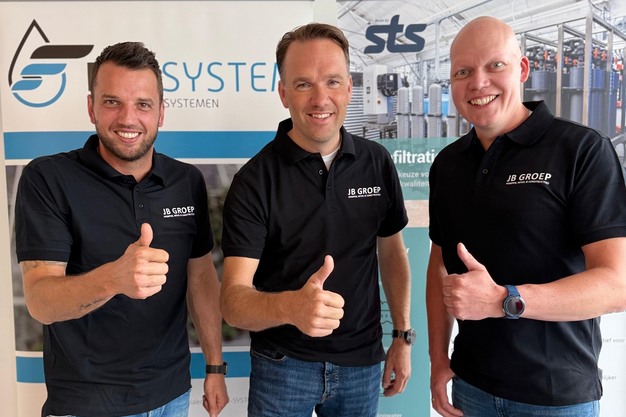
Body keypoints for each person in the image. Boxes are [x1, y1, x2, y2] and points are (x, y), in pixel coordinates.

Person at [15, 42, 229, 417]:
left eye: (143, 104)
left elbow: (200, 277)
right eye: (112, 102)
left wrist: (214, 367)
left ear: (161, 113)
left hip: (172, 395)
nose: (128, 118)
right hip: (87, 404)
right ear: (91, 108)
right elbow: (40, 302)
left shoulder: (186, 181)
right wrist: (114, 279)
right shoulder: (49, 178)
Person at [426, 15, 626, 417]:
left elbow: (617, 286)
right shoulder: (448, 165)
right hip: (471, 388)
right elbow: (440, 265)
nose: (478, 82)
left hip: (556, 396)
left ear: (521, 69)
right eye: (463, 72)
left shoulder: (581, 150)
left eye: (494, 65)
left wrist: (504, 300)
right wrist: (438, 358)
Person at [219, 23, 412, 417]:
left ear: (349, 88)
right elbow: (233, 304)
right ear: (283, 93)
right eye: (304, 84)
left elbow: (392, 254)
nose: (321, 98)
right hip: (283, 366)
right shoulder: (254, 180)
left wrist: (402, 335)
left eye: (333, 81)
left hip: (362, 364)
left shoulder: (377, 162)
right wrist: (292, 307)